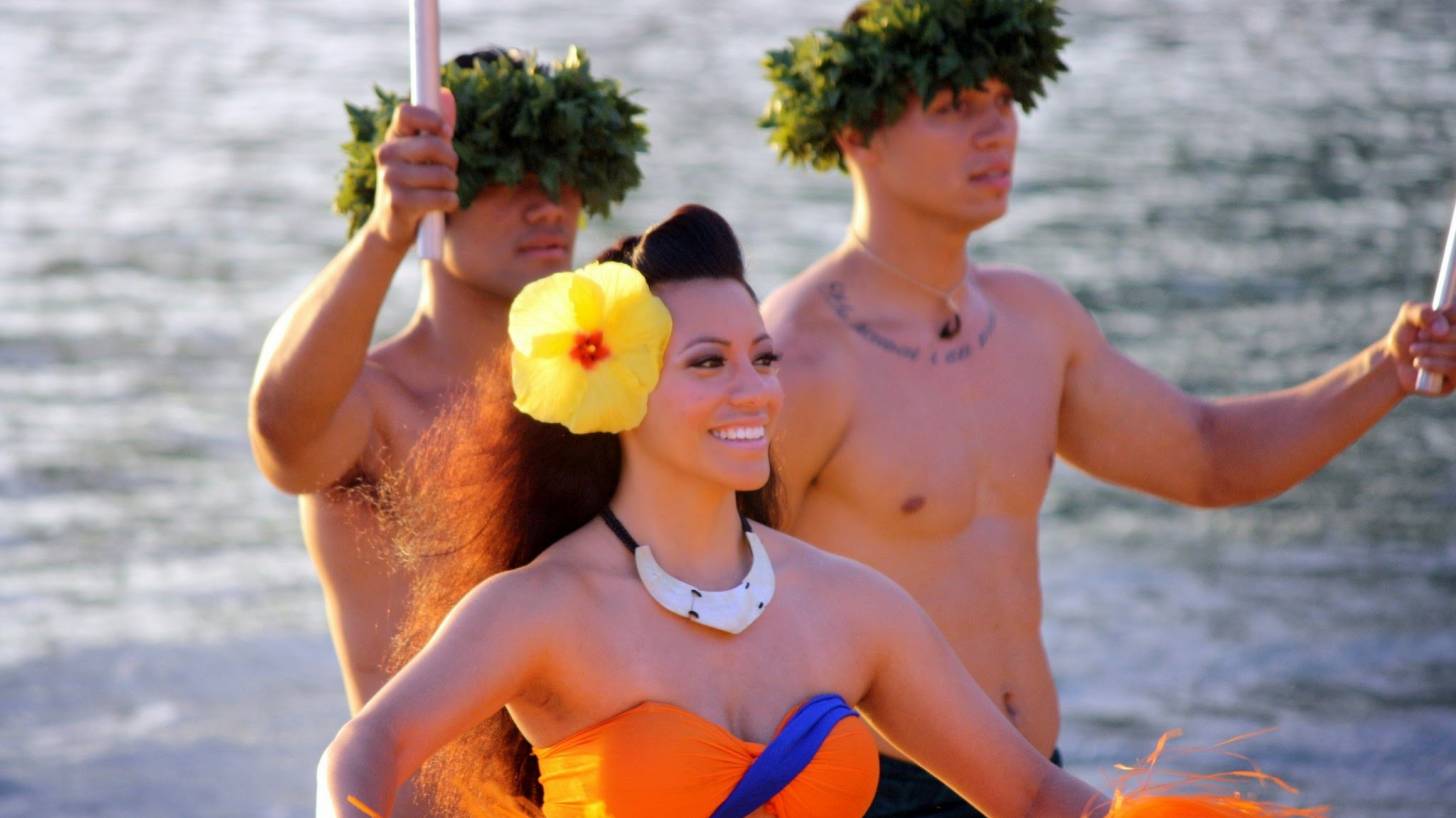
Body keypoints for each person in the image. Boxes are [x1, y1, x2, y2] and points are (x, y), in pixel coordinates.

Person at [318, 204, 1314, 818]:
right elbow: (366, 748)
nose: (751, 388)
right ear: (618, 393)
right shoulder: (543, 607)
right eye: (707, 364)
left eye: (762, 356)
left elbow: (1031, 795)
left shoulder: (851, 607)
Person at [757, 2, 1456, 814]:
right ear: (855, 134)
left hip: (1040, 777)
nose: (997, 130)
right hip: (874, 794)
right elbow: (719, 602)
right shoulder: (798, 358)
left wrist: (1389, 369)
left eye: (1003, 100)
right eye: (954, 109)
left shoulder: (1033, 321)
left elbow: (1210, 456)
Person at [247, 46, 647, 717]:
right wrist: (387, 230)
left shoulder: (610, 392)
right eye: (506, 176)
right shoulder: (375, 404)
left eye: (565, 173)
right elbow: (281, 437)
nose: (549, 204)